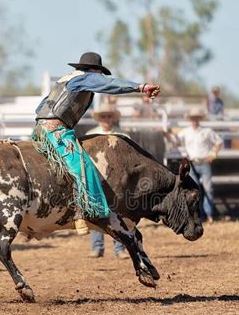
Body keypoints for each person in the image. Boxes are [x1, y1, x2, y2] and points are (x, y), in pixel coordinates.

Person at [33, 51, 160, 235]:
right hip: (56, 131)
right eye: (99, 73)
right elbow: (109, 84)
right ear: (93, 70)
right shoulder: (85, 78)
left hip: (41, 129)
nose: (100, 77)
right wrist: (141, 87)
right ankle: (85, 212)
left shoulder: (65, 81)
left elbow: (40, 108)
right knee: (82, 166)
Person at [85, 103, 129, 259]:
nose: (106, 119)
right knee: (98, 212)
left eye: (108, 116)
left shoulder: (123, 135)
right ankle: (97, 247)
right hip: (97, 178)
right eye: (103, 116)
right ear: (99, 119)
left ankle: (120, 248)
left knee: (119, 213)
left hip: (117, 179)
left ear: (113, 118)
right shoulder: (91, 135)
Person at [172, 107, 223, 224]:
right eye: (193, 118)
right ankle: (199, 215)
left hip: (204, 162)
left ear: (199, 119)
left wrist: (213, 153)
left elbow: (219, 142)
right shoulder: (185, 132)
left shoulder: (207, 131)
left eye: (196, 118)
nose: (195, 120)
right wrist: (167, 133)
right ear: (190, 120)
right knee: (195, 190)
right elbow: (175, 140)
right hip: (192, 163)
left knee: (208, 189)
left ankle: (208, 215)